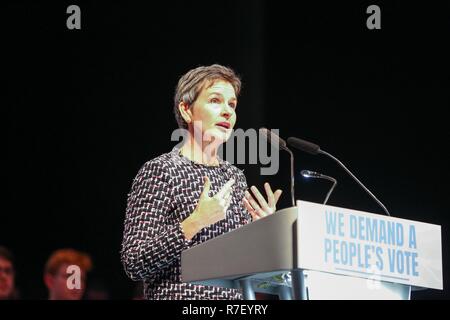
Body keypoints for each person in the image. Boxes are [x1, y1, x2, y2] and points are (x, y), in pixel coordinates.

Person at [121, 64, 283, 300]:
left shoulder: (235, 178)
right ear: (186, 110)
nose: (227, 111)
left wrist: (265, 231)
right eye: (216, 100)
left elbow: (248, 268)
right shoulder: (160, 171)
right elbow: (134, 263)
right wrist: (195, 222)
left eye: (232, 104)